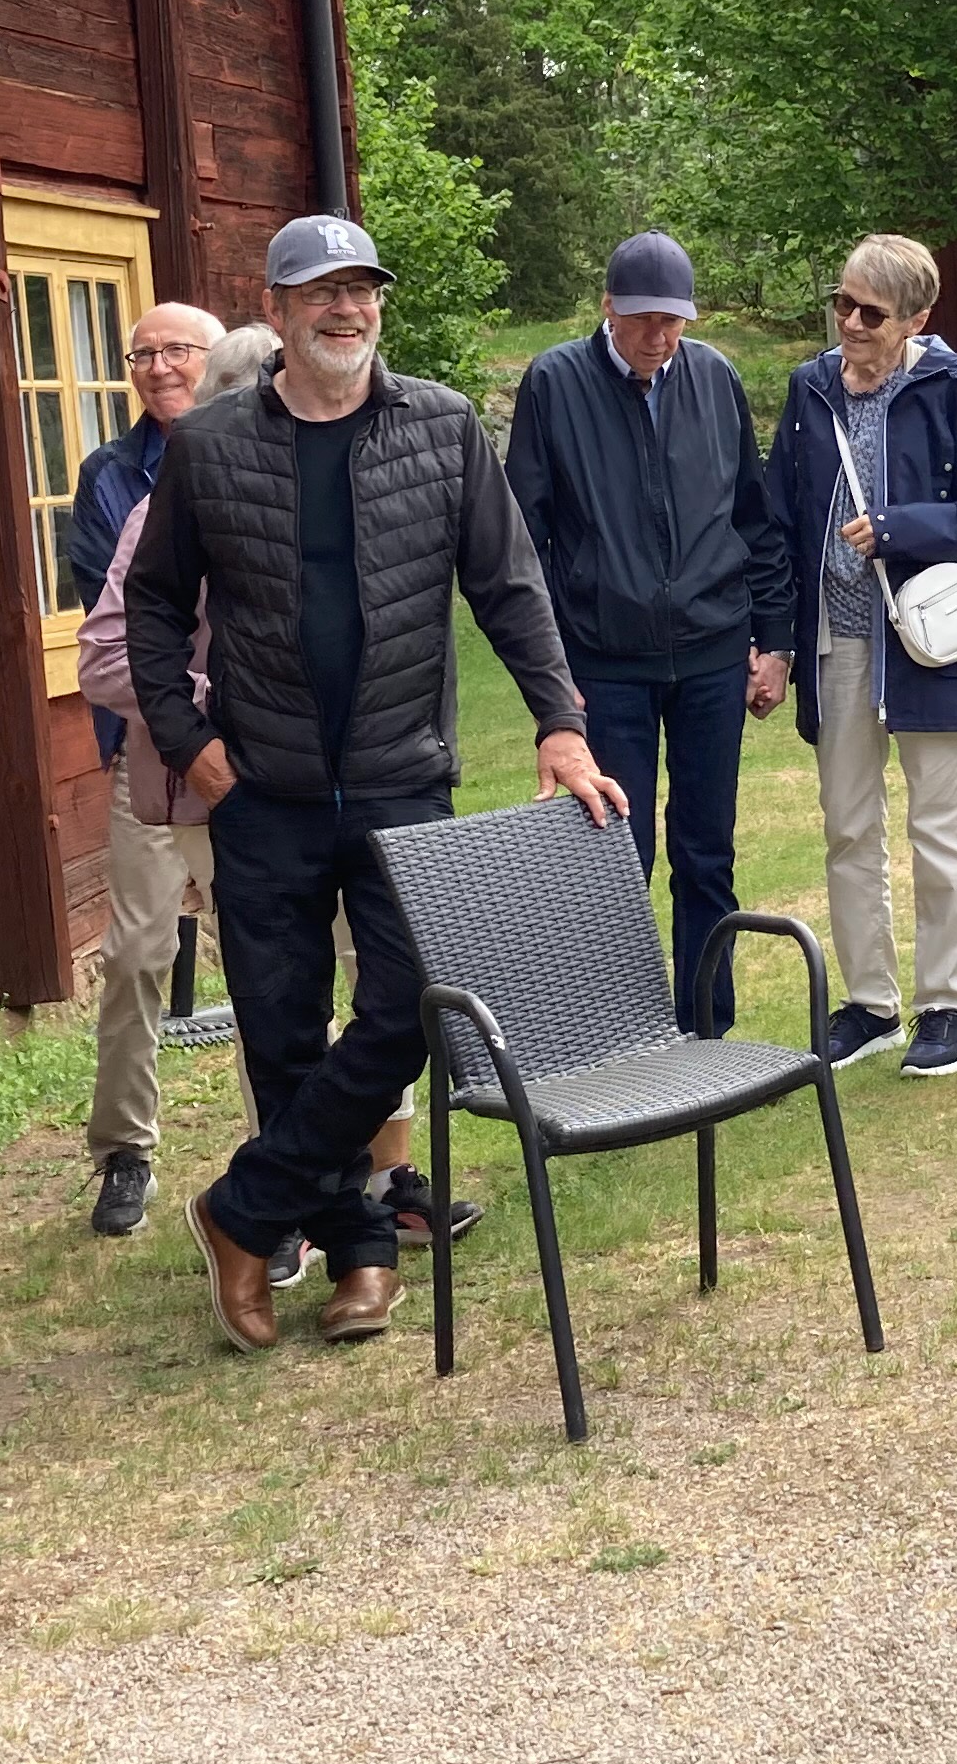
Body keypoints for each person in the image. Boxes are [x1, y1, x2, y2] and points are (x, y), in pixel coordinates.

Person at [121, 213, 618, 1351]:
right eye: (322, 293)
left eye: (363, 291)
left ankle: (243, 1209)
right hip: (263, 791)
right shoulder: (210, 445)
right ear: (278, 310)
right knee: (282, 1031)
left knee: (414, 1010)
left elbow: (509, 585)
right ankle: (361, 1250)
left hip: (403, 781)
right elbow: (152, 605)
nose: (347, 311)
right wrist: (187, 738)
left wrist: (560, 723)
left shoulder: (440, 426)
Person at [82, 330, 470, 1267]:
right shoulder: (174, 486)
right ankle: (313, 1221)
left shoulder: (394, 455)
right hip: (226, 785)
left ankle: (304, 1194)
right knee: (275, 1007)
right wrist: (212, 729)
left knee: (388, 990)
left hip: (360, 776)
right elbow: (115, 649)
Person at [505, 232, 794, 1036]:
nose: (659, 337)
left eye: (673, 321)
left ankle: (706, 1030)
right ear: (608, 308)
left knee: (707, 854)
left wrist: (774, 642)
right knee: (615, 857)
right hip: (604, 666)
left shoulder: (715, 378)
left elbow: (754, 520)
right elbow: (522, 540)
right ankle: (621, 1037)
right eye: (643, 320)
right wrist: (553, 670)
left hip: (712, 656)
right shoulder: (555, 383)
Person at [765, 236, 957, 1078]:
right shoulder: (809, 388)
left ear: (915, 319)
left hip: (925, 643)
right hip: (835, 639)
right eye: (842, 302)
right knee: (847, 826)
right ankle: (869, 1005)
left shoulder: (944, 385)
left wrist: (898, 528)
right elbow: (778, 520)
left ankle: (949, 1007)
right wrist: (775, 640)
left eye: (871, 312)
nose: (850, 322)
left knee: (939, 825)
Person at [68, 298, 224, 1238]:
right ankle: (125, 1149)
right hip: (153, 753)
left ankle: (302, 1159)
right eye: (140, 354)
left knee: (279, 961)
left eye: (178, 351)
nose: (158, 366)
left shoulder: (264, 456)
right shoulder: (113, 480)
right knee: (133, 955)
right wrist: (198, 710)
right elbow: (118, 623)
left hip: (252, 765)